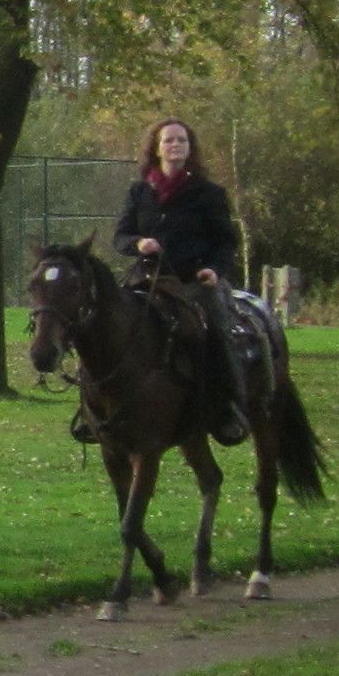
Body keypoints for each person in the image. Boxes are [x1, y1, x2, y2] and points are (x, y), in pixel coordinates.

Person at [109, 117, 249, 445]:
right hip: (149, 281)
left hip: (193, 282)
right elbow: (120, 236)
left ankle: (230, 406)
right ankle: (102, 408)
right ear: (156, 148)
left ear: (190, 149)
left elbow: (226, 241)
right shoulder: (140, 191)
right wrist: (138, 244)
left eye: (182, 141)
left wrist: (215, 269)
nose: (175, 146)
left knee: (217, 331)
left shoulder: (208, 193)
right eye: (169, 140)